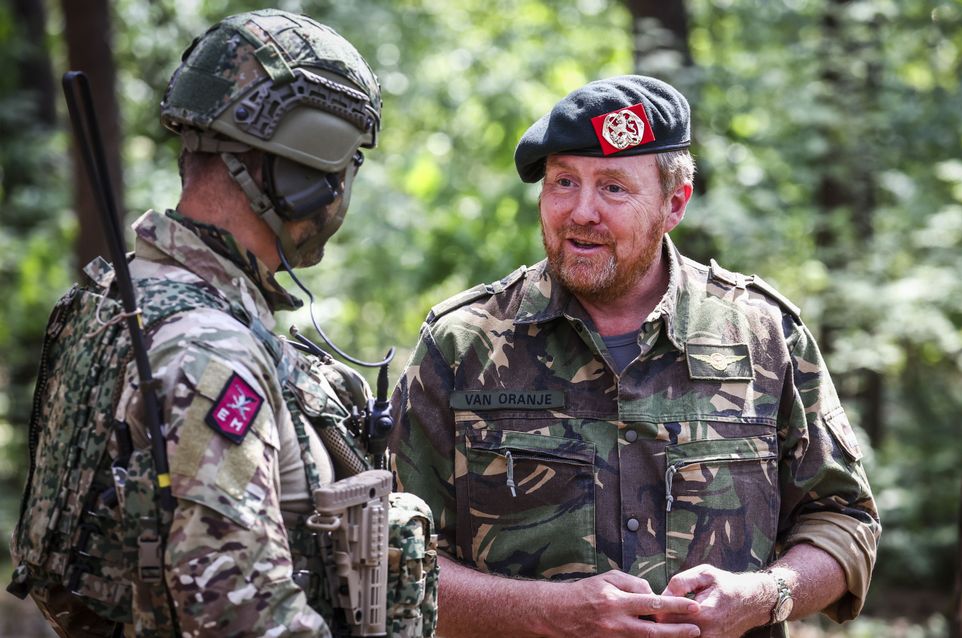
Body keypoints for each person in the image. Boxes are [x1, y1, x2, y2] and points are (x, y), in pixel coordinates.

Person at [389, 75, 879, 637]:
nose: (581, 212)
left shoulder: (763, 336)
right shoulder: (463, 344)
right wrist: (548, 613)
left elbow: (845, 520)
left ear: (674, 204)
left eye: (614, 188)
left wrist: (767, 595)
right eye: (563, 182)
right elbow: (393, 556)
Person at [9, 10, 436, 638]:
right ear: (301, 172)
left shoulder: (120, 300)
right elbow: (241, 616)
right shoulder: (208, 351)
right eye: (345, 166)